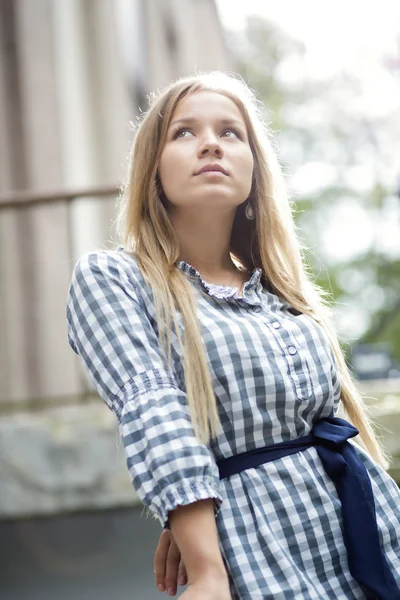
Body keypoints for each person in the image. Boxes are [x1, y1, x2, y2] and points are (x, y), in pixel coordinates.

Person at [66, 72, 400, 599]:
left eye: (230, 133)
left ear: (254, 169)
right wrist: (204, 563)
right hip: (253, 548)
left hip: (361, 524)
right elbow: (154, 413)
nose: (209, 145)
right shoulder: (115, 280)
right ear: (152, 167)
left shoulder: (282, 291)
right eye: (183, 133)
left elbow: (322, 422)